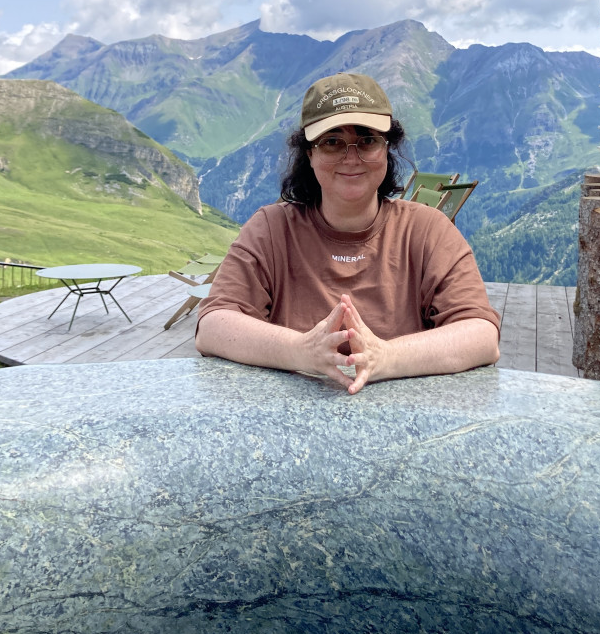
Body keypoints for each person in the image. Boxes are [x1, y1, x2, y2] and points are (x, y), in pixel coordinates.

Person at [196, 72, 500, 394]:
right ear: (309, 154)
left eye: (367, 140)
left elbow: (481, 335)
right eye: (332, 142)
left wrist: (384, 357)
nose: (351, 158)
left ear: (387, 149)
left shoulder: (428, 231)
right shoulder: (270, 229)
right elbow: (213, 326)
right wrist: (302, 350)